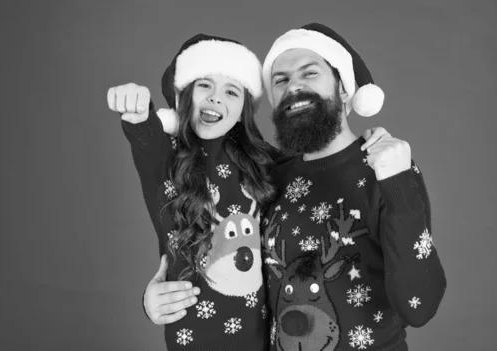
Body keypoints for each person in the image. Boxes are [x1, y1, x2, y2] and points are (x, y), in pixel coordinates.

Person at [259, 23, 447, 350]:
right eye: (281, 80)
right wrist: (153, 299)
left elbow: (420, 305)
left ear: (344, 89)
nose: (293, 87)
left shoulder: (387, 170)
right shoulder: (271, 178)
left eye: (309, 73)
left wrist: (399, 184)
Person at [108, 33, 276, 350]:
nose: (215, 98)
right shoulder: (166, 155)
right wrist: (136, 108)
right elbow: (143, 133)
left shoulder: (263, 162)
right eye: (204, 85)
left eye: (231, 91)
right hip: (192, 340)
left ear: (243, 110)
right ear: (184, 94)